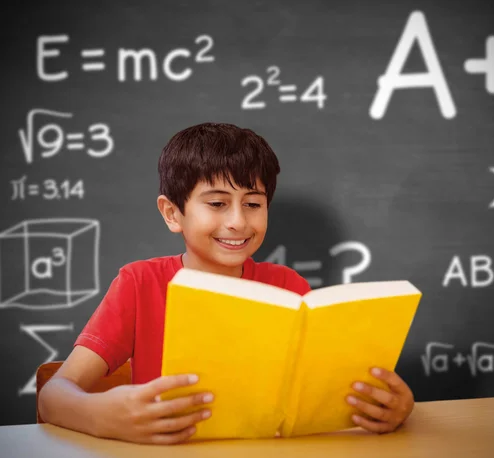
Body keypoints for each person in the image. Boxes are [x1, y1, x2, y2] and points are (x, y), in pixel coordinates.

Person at [38, 122, 414, 444]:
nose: (237, 221)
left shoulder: (289, 286)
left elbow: (331, 388)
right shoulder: (140, 283)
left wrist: (392, 405)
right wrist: (102, 416)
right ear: (173, 213)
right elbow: (53, 396)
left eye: (253, 203)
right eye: (217, 204)